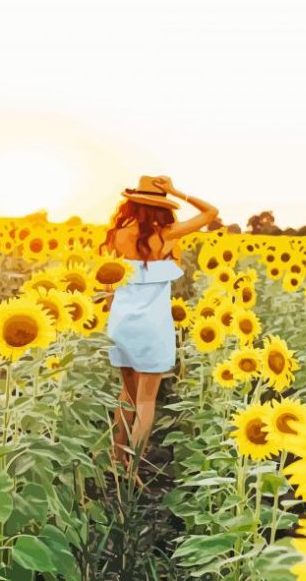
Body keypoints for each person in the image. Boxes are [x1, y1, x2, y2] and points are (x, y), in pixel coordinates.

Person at [99, 175, 219, 486]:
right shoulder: (166, 234)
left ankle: (116, 458)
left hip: (122, 322)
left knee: (125, 394)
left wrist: (109, 313)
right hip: (153, 326)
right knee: (146, 401)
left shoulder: (117, 236)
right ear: (161, 207)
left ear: (132, 203)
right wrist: (176, 191)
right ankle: (132, 468)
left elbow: (108, 282)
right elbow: (211, 213)